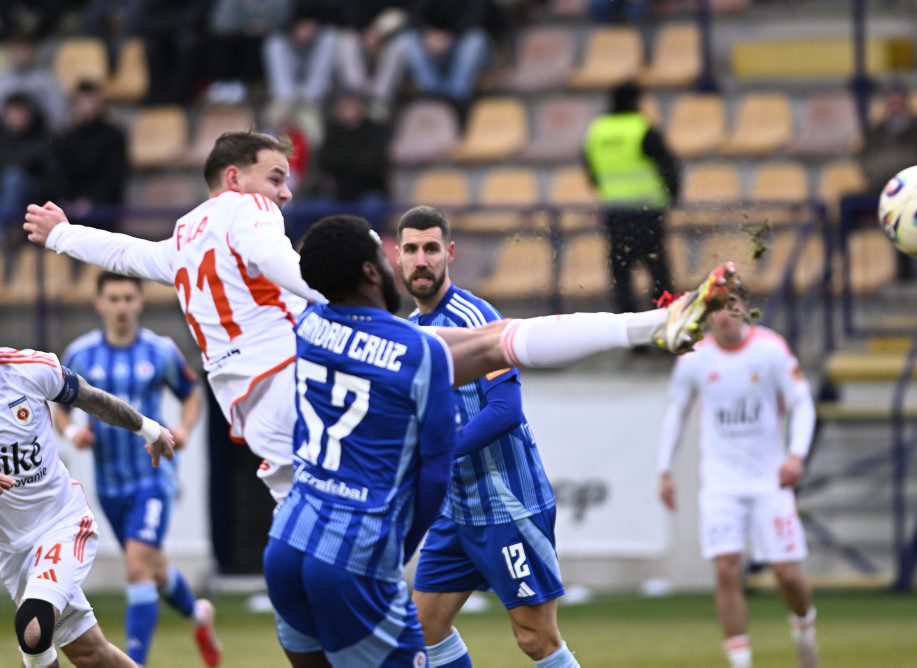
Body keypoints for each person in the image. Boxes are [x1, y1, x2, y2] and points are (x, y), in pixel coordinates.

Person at [24, 131, 741, 507]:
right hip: (302, 372)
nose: (286, 188)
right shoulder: (246, 211)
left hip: (249, 411)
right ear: (237, 177)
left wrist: (60, 234)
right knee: (485, 345)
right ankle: (650, 328)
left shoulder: (180, 239)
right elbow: (289, 269)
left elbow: (125, 252)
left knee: (313, 559)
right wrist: (353, 296)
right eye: (277, 175)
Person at [264, 214, 456, 667]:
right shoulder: (422, 350)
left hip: (287, 541)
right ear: (371, 272)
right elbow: (435, 475)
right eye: (381, 253)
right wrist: (399, 554)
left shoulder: (308, 325)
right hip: (355, 555)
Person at [398, 206, 577, 668]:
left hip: (507, 504)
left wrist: (437, 454)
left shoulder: (476, 317)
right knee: (424, 632)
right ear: (397, 256)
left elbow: (506, 409)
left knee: (536, 638)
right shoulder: (410, 332)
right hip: (456, 510)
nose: (422, 260)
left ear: (449, 254)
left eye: (431, 249)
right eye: (412, 249)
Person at [54, 272, 219, 667]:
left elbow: (191, 392)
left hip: (153, 478)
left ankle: (136, 661)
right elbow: (57, 404)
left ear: (140, 302)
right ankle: (199, 615)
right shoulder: (81, 354)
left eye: (129, 297)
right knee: (154, 569)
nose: (122, 306)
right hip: (110, 485)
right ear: (100, 304)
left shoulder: (159, 351)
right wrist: (73, 430)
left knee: (136, 565)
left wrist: (182, 428)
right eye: (113, 298)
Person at [656, 293, 819, 668]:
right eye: (714, 310)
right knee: (727, 569)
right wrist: (665, 470)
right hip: (721, 484)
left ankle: (804, 628)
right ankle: (740, 663)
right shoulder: (695, 357)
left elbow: (801, 402)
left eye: (730, 307)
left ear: (745, 307)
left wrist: (796, 454)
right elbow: (676, 411)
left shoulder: (771, 349)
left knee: (787, 574)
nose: (723, 317)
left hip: (769, 481)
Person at [0, 345, 175, 667]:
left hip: (60, 523)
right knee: (91, 654)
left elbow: (92, 399)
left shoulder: (31, 368)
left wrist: (149, 428)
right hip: (11, 549)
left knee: (34, 629)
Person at [583, 80, 681, 315]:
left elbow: (591, 171)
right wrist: (672, 196)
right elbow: (668, 165)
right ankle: (665, 326)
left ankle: (629, 335)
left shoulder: (597, 131)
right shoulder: (641, 128)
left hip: (615, 212)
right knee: (659, 273)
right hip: (647, 211)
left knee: (621, 273)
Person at [859, 81, 917, 281]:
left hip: (914, 190)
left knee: (900, 215)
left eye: (898, 101)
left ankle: (906, 272)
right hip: (880, 187)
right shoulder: (877, 131)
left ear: (906, 102)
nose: (894, 106)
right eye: (890, 102)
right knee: (847, 206)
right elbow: (864, 158)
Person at [304, 92, 391, 229]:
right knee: (307, 208)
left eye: (352, 105)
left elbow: (372, 164)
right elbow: (325, 161)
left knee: (373, 207)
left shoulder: (374, 130)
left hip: (368, 189)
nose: (348, 109)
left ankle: (373, 245)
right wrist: (350, 162)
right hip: (338, 192)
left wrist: (344, 163)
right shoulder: (333, 130)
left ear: (361, 107)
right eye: (344, 105)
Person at [51, 81, 128, 233]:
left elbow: (114, 174)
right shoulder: (67, 138)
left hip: (105, 206)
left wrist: (91, 201)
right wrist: (68, 200)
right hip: (71, 207)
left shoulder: (113, 135)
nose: (87, 106)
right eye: (83, 101)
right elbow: (59, 173)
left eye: (91, 100)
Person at [0, 92, 52, 244]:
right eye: (12, 112)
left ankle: (4, 230)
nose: (16, 117)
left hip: (36, 199)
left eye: (20, 112)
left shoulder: (43, 139)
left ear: (29, 114)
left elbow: (52, 179)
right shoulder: (2, 140)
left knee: (14, 178)